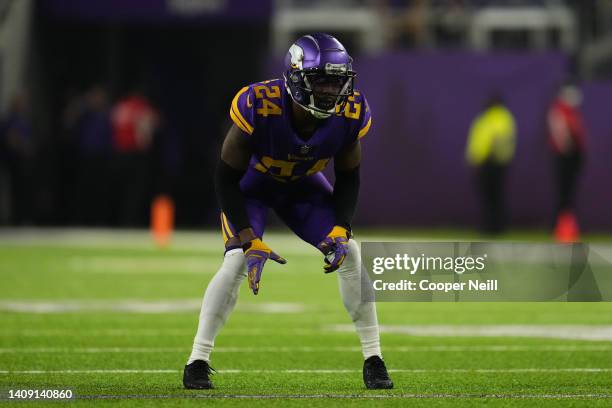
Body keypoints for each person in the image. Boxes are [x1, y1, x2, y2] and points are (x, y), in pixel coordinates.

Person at [183, 33, 393, 390]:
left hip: (302, 190)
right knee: (235, 261)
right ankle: (197, 361)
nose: (331, 91)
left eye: (337, 81)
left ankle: (374, 358)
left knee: (351, 254)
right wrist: (249, 240)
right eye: (321, 80)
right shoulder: (259, 104)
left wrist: (341, 229)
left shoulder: (351, 112)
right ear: (295, 77)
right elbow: (225, 178)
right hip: (252, 189)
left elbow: (349, 176)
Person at [465, 93, 516, 234]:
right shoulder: (488, 117)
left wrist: (490, 156)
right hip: (486, 162)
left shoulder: (499, 117)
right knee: (489, 196)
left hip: (493, 162)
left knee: (494, 196)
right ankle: (490, 225)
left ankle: (495, 227)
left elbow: (498, 138)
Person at [547, 82, 586, 240]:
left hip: (572, 156)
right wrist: (567, 149)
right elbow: (561, 135)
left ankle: (565, 226)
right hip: (565, 157)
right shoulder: (559, 110)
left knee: (568, 194)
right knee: (564, 194)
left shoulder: (571, 112)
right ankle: (561, 228)